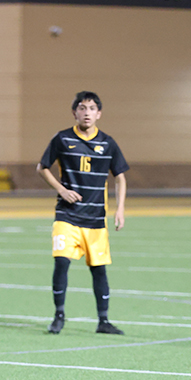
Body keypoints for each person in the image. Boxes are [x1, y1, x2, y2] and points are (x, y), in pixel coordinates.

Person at [37, 91, 128, 335]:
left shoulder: (108, 143)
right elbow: (42, 167)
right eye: (82, 108)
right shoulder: (62, 139)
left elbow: (120, 177)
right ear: (74, 112)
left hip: (96, 219)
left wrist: (119, 209)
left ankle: (103, 321)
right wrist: (61, 189)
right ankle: (59, 316)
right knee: (61, 262)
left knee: (99, 269)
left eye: (91, 108)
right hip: (66, 216)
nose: (87, 113)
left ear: (99, 114)